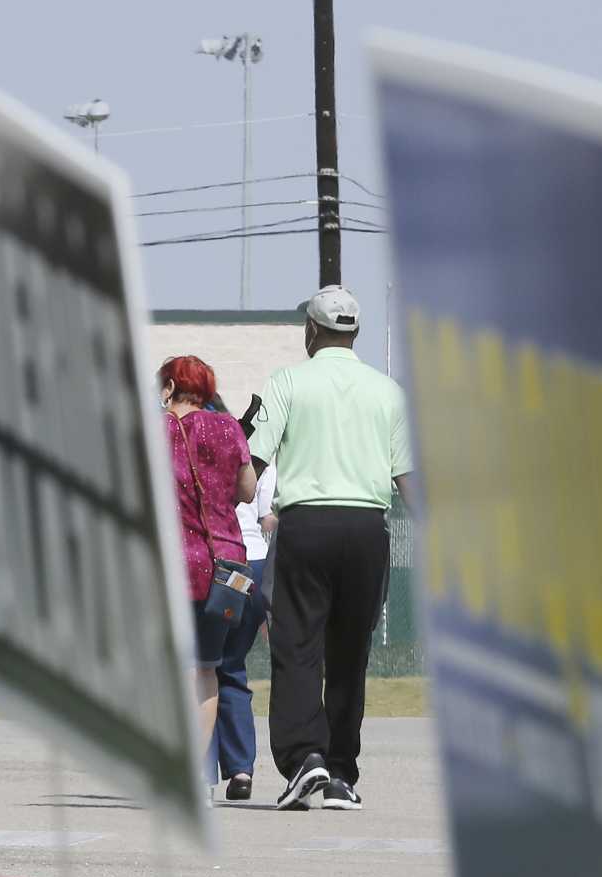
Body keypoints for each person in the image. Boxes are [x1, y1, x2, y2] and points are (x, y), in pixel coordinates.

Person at [248, 285, 417, 812]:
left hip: (307, 525)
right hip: (367, 528)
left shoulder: (288, 383)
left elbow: (249, 469)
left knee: (298, 645)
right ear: (357, 333)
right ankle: (342, 772)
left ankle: (305, 759)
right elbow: (408, 476)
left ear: (311, 331)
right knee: (350, 653)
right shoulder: (387, 391)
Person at [161, 355, 256, 762]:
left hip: (173, 565)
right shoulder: (229, 427)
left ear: (168, 389)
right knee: (206, 670)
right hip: (227, 568)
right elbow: (248, 490)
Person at [209, 452, 277, 802]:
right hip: (255, 565)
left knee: (203, 668)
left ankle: (201, 769)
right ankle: (241, 769)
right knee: (232, 667)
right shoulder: (257, 456)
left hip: (221, 564)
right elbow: (264, 507)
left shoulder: (196, 444)